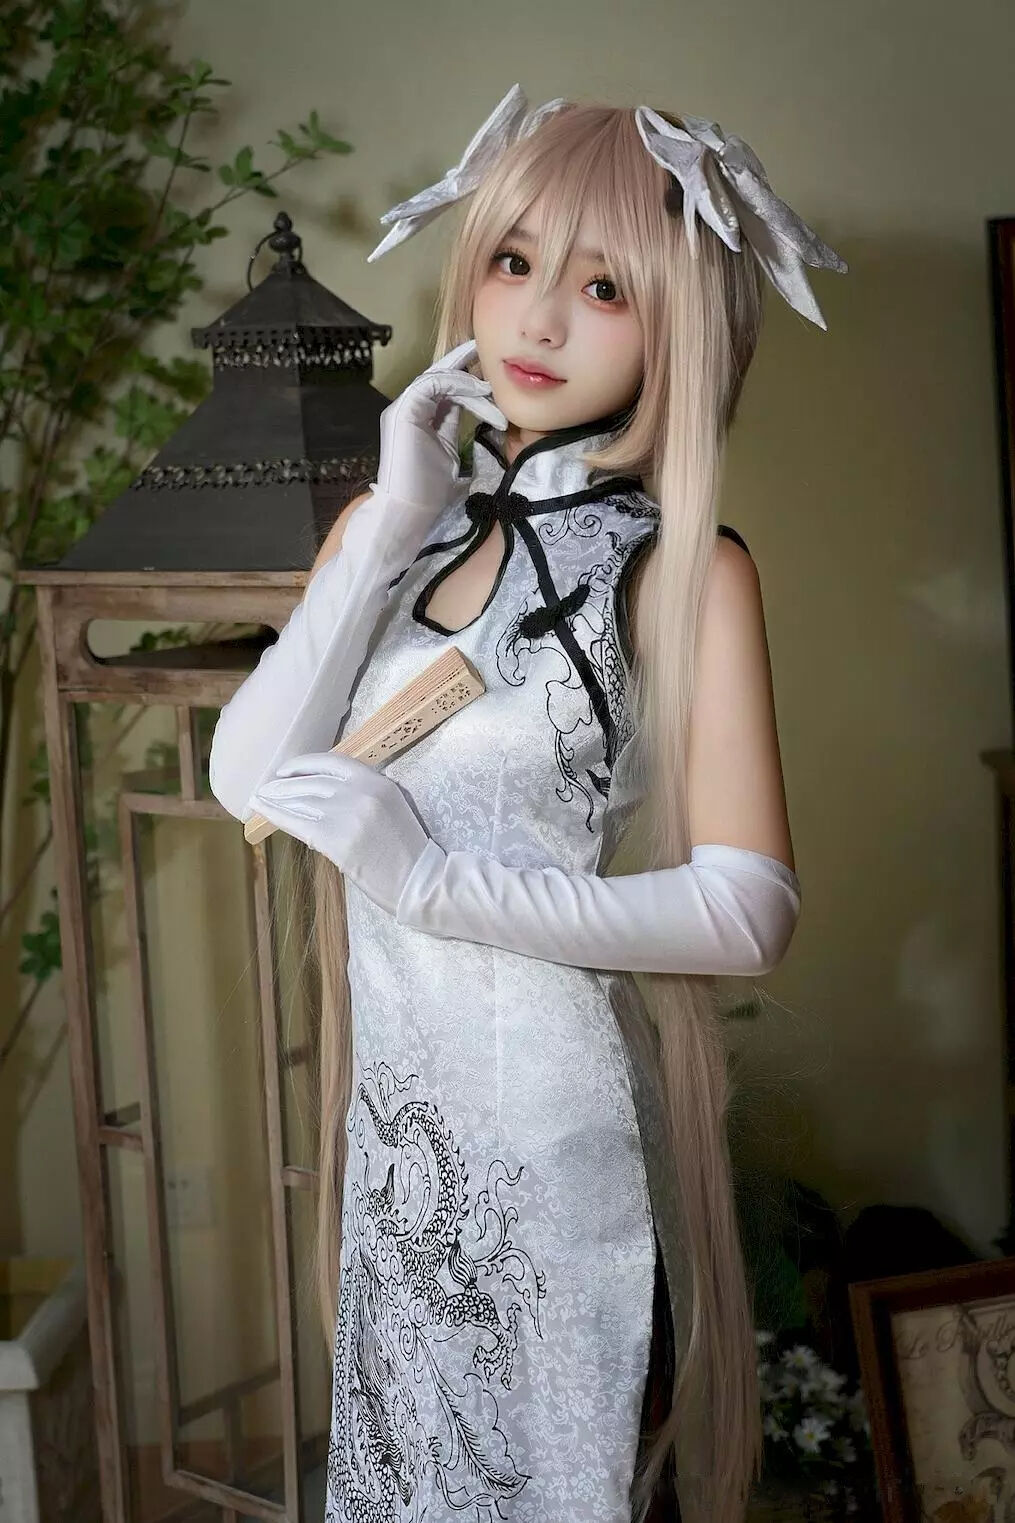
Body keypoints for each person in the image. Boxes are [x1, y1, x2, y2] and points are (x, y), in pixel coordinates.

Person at [208, 84, 846, 1523]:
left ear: (680, 324)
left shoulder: (683, 566)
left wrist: (435, 885)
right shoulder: (391, 526)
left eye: (605, 287)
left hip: (554, 1144)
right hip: (400, 1145)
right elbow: (247, 779)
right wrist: (390, 514)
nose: (540, 320)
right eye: (513, 262)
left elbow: (749, 909)